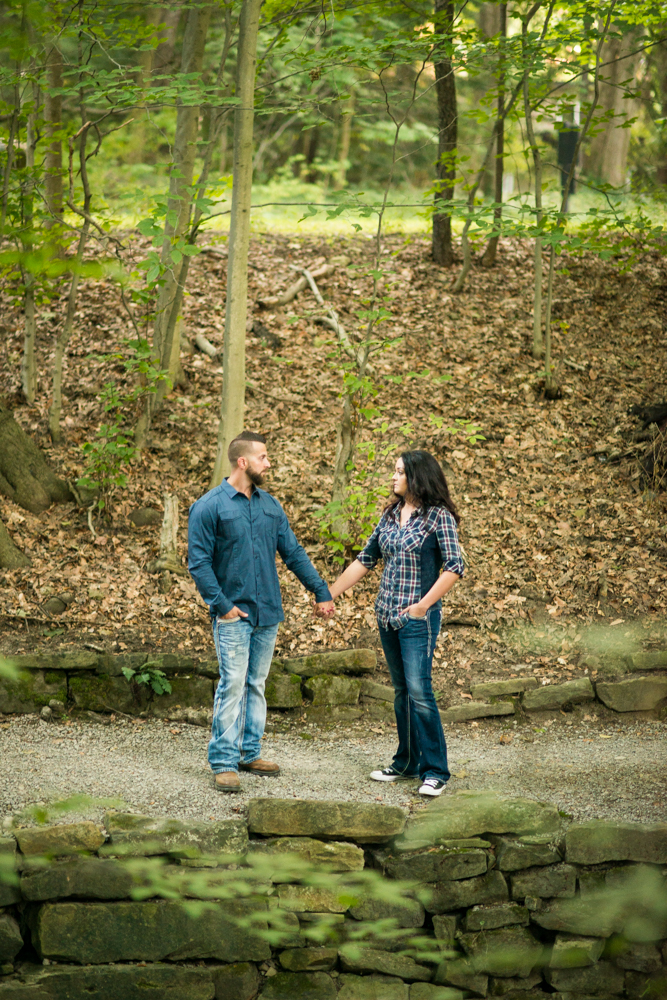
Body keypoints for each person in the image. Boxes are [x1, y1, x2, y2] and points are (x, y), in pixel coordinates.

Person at [188, 431, 334, 792]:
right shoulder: (209, 506)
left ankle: (249, 752)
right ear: (243, 462)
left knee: (256, 684)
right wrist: (222, 606)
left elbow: (294, 553)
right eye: (264, 457)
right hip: (233, 615)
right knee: (233, 684)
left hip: (268, 612)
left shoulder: (271, 506)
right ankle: (223, 761)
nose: (269, 463)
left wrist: (321, 590)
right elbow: (198, 563)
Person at [328, 450, 464, 797]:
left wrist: (421, 606)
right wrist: (331, 594)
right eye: (394, 471)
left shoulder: (438, 517)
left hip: (418, 618)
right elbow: (366, 559)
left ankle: (435, 771)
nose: (393, 477)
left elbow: (453, 567)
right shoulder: (390, 515)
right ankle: (406, 763)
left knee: (420, 693)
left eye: (400, 472)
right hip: (386, 614)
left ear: (417, 477)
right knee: (403, 692)